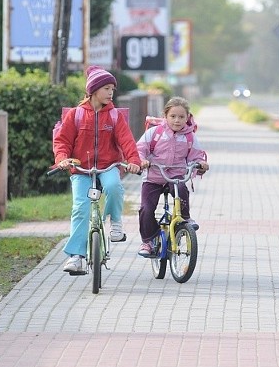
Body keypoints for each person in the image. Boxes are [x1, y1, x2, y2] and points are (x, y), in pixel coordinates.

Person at [53, 65, 142, 274]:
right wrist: (63, 159)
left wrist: (133, 160)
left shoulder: (114, 116)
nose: (111, 93)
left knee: (113, 187)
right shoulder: (75, 115)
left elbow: (127, 141)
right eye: (107, 88)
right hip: (81, 169)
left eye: (113, 89)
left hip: (107, 166)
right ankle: (76, 256)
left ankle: (116, 224)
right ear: (93, 90)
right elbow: (62, 141)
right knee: (80, 208)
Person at [135, 97, 209, 257]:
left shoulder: (189, 137)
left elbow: (196, 156)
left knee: (182, 190)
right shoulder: (155, 133)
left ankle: (184, 220)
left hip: (175, 177)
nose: (177, 120)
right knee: (146, 209)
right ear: (165, 116)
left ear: (187, 117)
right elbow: (140, 148)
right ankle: (148, 240)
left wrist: (200, 164)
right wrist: (142, 160)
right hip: (153, 177)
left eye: (181, 117)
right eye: (173, 116)